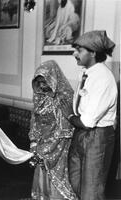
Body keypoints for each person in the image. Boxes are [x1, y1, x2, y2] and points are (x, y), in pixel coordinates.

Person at [60, 30, 117, 200]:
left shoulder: (103, 78)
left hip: (97, 137)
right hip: (81, 134)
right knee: (75, 185)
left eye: (79, 50)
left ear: (93, 53)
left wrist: (69, 116)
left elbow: (87, 121)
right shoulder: (86, 73)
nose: (74, 54)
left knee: (91, 192)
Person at [29, 60, 77, 200]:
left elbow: (66, 128)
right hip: (42, 144)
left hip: (59, 146)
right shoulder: (39, 97)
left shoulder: (65, 96)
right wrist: (33, 142)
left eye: (45, 81)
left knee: (57, 178)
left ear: (53, 78)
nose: (42, 86)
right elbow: (35, 120)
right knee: (41, 171)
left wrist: (48, 148)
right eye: (39, 82)